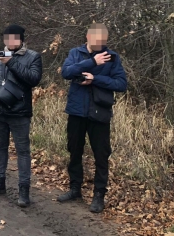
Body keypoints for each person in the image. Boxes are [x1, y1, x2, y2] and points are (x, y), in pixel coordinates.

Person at [58, 23, 127, 213]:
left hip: (100, 112)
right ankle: (75, 189)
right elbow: (66, 73)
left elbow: (121, 84)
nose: (100, 44)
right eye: (97, 40)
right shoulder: (76, 53)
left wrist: (95, 79)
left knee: (101, 155)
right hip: (76, 111)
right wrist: (93, 62)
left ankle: (99, 195)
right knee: (74, 151)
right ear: (88, 37)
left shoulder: (112, 57)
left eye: (103, 41)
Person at [0, 24, 42, 207]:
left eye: (14, 38)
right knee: (0, 147)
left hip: (19, 113)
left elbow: (33, 79)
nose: (10, 42)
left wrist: (11, 62)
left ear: (21, 39)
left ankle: (24, 190)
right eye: (7, 38)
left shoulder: (33, 57)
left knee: (22, 151)